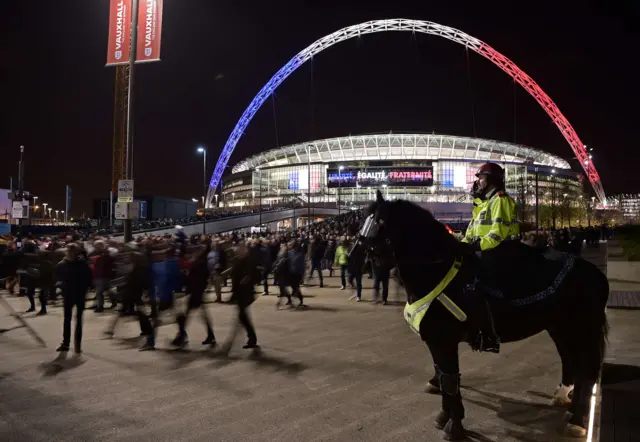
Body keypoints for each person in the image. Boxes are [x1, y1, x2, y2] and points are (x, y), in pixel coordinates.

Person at [461, 163, 519, 353]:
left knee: (479, 287)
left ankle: (489, 334)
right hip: (484, 250)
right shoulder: (483, 204)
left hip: (500, 251)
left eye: (481, 177)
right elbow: (471, 232)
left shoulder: (500, 200)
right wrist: (461, 245)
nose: (478, 181)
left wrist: (475, 246)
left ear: (491, 179)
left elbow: (497, 233)